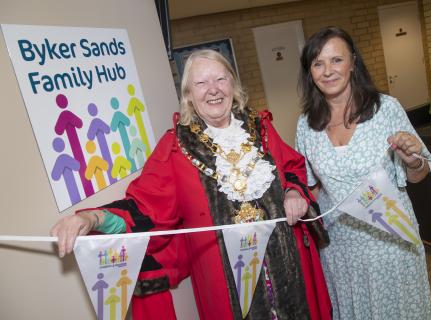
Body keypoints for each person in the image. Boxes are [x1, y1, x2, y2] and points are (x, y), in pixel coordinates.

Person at [51, 49, 332, 320]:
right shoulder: (176, 146)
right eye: (201, 82)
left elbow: (292, 166)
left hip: (291, 265)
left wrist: (294, 191)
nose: (213, 89)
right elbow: (145, 207)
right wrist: (92, 217)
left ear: (233, 85)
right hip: (225, 280)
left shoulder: (262, 128)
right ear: (188, 95)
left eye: (221, 79)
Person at [295, 27, 431, 320]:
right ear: (310, 72)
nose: (328, 71)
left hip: (391, 240)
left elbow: (419, 175)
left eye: (336, 60)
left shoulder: (386, 109)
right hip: (341, 251)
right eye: (318, 63)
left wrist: (413, 160)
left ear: (353, 62)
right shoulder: (306, 125)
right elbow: (310, 187)